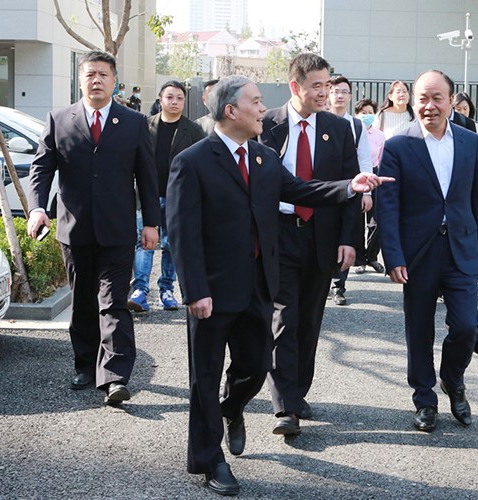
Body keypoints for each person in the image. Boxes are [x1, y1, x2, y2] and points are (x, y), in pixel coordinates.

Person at [167, 75, 390, 497]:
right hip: (212, 291)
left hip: (258, 285)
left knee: (255, 366)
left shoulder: (264, 157)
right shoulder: (193, 161)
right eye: (254, 102)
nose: (261, 109)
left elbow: (301, 190)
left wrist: (349, 185)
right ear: (230, 110)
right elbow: (182, 232)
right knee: (204, 377)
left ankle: (231, 407)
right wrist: (194, 290)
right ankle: (209, 460)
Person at [26, 50, 160, 405]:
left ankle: (115, 377)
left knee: (114, 303)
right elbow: (42, 168)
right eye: (90, 74)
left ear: (114, 81)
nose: (96, 80)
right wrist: (38, 209)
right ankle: (85, 364)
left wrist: (151, 223)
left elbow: (147, 177)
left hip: (117, 230)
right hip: (75, 229)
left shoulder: (134, 122)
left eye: (103, 74)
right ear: (81, 80)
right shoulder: (59, 119)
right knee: (84, 301)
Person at [376, 69, 478, 433]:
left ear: (451, 101)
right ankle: (424, 399)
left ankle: (452, 379)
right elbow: (387, 206)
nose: (429, 106)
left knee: (466, 325)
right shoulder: (398, 145)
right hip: (418, 253)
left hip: (462, 248)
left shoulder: (468, 141)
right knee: (419, 329)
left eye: (437, 98)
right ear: (413, 101)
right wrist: (393, 256)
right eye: (422, 98)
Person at [258, 53, 361, 436]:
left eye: (327, 84)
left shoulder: (338, 128)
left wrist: (349, 240)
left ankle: (297, 391)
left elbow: (350, 187)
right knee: (284, 318)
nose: (324, 92)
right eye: (317, 85)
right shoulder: (266, 125)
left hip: (321, 236)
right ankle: (285, 406)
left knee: (309, 321)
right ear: (295, 86)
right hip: (278, 235)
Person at [127, 80, 206, 312]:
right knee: (144, 242)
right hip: (146, 196)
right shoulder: (144, 125)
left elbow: (201, 165)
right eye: (170, 97)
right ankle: (140, 291)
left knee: (171, 245)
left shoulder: (193, 130)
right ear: (160, 99)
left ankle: (167, 290)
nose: (174, 102)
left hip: (178, 198)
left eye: (179, 98)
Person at [327, 75, 373, 306]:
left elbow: (365, 158)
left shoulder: (356, 125)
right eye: (335, 91)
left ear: (350, 96)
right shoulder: (319, 121)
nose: (340, 95)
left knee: (345, 234)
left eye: (344, 91)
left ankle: (338, 285)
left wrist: (367, 193)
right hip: (323, 190)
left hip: (349, 188)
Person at [353, 98, 386, 275]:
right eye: (363, 113)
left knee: (376, 221)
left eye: (370, 113)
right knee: (357, 221)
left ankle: (372, 256)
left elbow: (382, 159)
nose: (367, 116)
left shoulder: (380, 136)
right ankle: (359, 260)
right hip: (355, 176)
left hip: (374, 175)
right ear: (356, 114)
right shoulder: (352, 130)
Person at [453, 92, 478, 159]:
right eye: (458, 109)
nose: (462, 112)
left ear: (470, 108)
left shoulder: (477, 127)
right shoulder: (448, 126)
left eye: (465, 108)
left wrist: (470, 154)